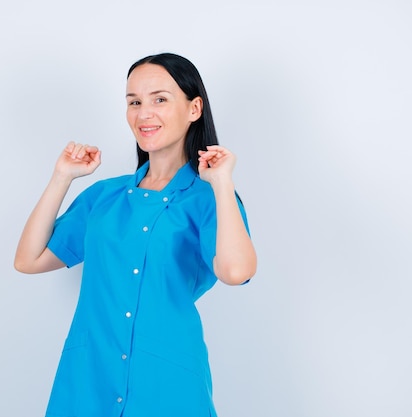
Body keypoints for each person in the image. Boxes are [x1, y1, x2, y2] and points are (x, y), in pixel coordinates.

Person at [14, 52, 257, 417]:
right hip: (88, 378)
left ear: (194, 109)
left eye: (160, 99)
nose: (144, 113)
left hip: (166, 382)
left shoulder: (209, 199)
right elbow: (28, 260)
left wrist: (222, 183)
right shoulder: (105, 197)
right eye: (134, 102)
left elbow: (237, 272)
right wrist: (61, 177)